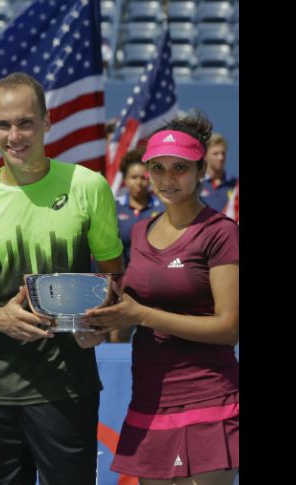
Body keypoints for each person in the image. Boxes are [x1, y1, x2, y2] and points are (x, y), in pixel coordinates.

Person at [0, 72, 124, 485]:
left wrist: (101, 323)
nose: (14, 135)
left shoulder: (88, 186)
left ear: (47, 122)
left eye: (25, 122)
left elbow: (114, 279)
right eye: (3, 124)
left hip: (68, 389)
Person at [84, 112, 239, 484]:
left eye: (180, 168)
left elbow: (228, 328)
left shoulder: (221, 233)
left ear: (200, 171)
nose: (167, 179)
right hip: (150, 401)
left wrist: (141, 315)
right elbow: (130, 307)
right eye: (158, 168)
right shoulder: (139, 232)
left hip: (208, 398)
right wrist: (97, 328)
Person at [111, 147, 162, 344]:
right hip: (121, 286)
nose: (139, 182)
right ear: (125, 179)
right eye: (134, 177)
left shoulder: (163, 207)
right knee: (118, 336)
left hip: (155, 286)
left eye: (143, 177)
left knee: (155, 338)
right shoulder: (113, 206)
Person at [199, 133, 239, 222]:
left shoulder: (236, 185)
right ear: (205, 156)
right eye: (215, 154)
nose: (221, 157)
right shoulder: (196, 183)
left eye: (223, 153)